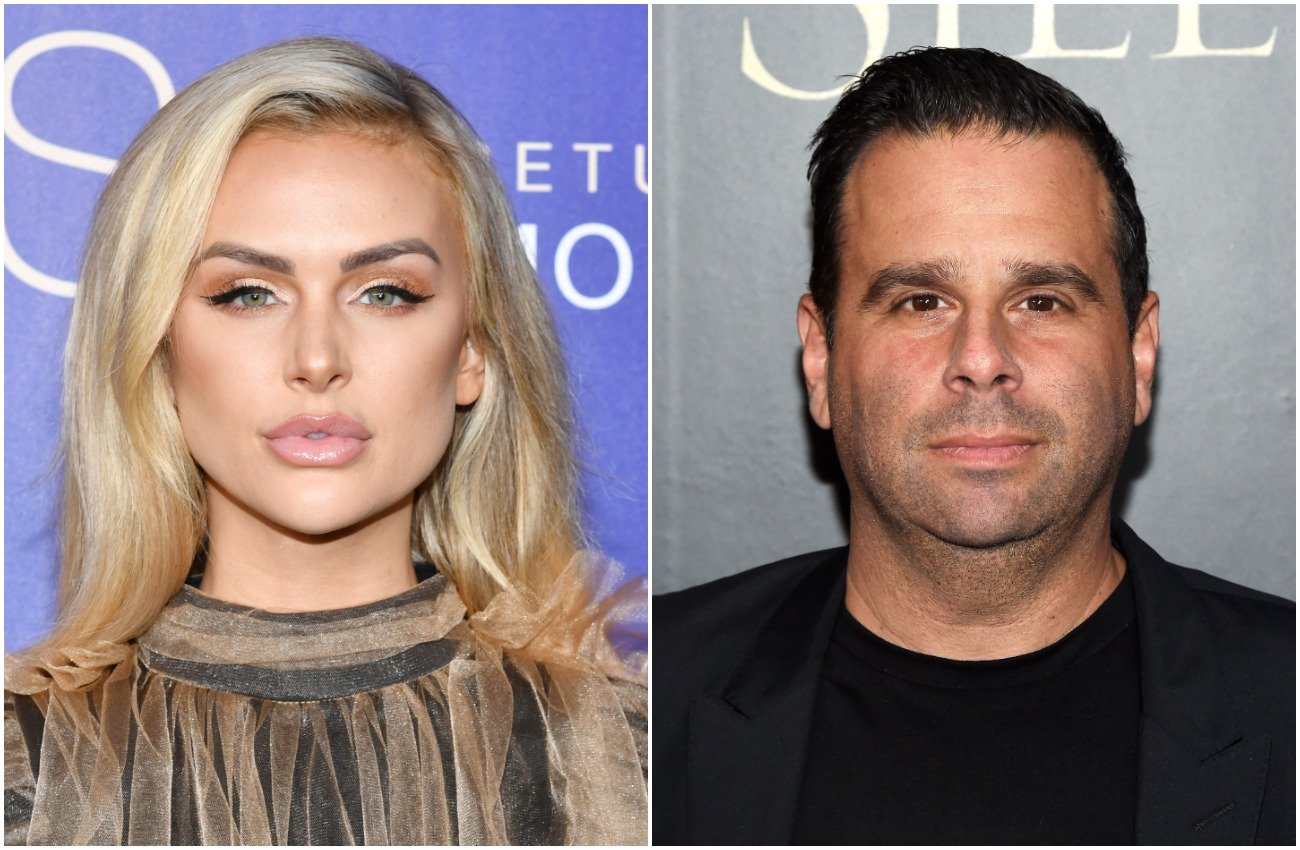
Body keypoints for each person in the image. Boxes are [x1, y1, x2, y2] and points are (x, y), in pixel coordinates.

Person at [4, 37, 646, 845]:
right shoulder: (26, 775)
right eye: (246, 294)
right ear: (158, 354)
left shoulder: (623, 761)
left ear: (473, 353)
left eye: (385, 293)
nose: (317, 359)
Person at [653, 47, 1293, 845]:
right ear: (821, 358)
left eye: (1042, 300)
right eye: (922, 300)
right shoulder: (632, 697)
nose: (983, 358)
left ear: (1138, 353)